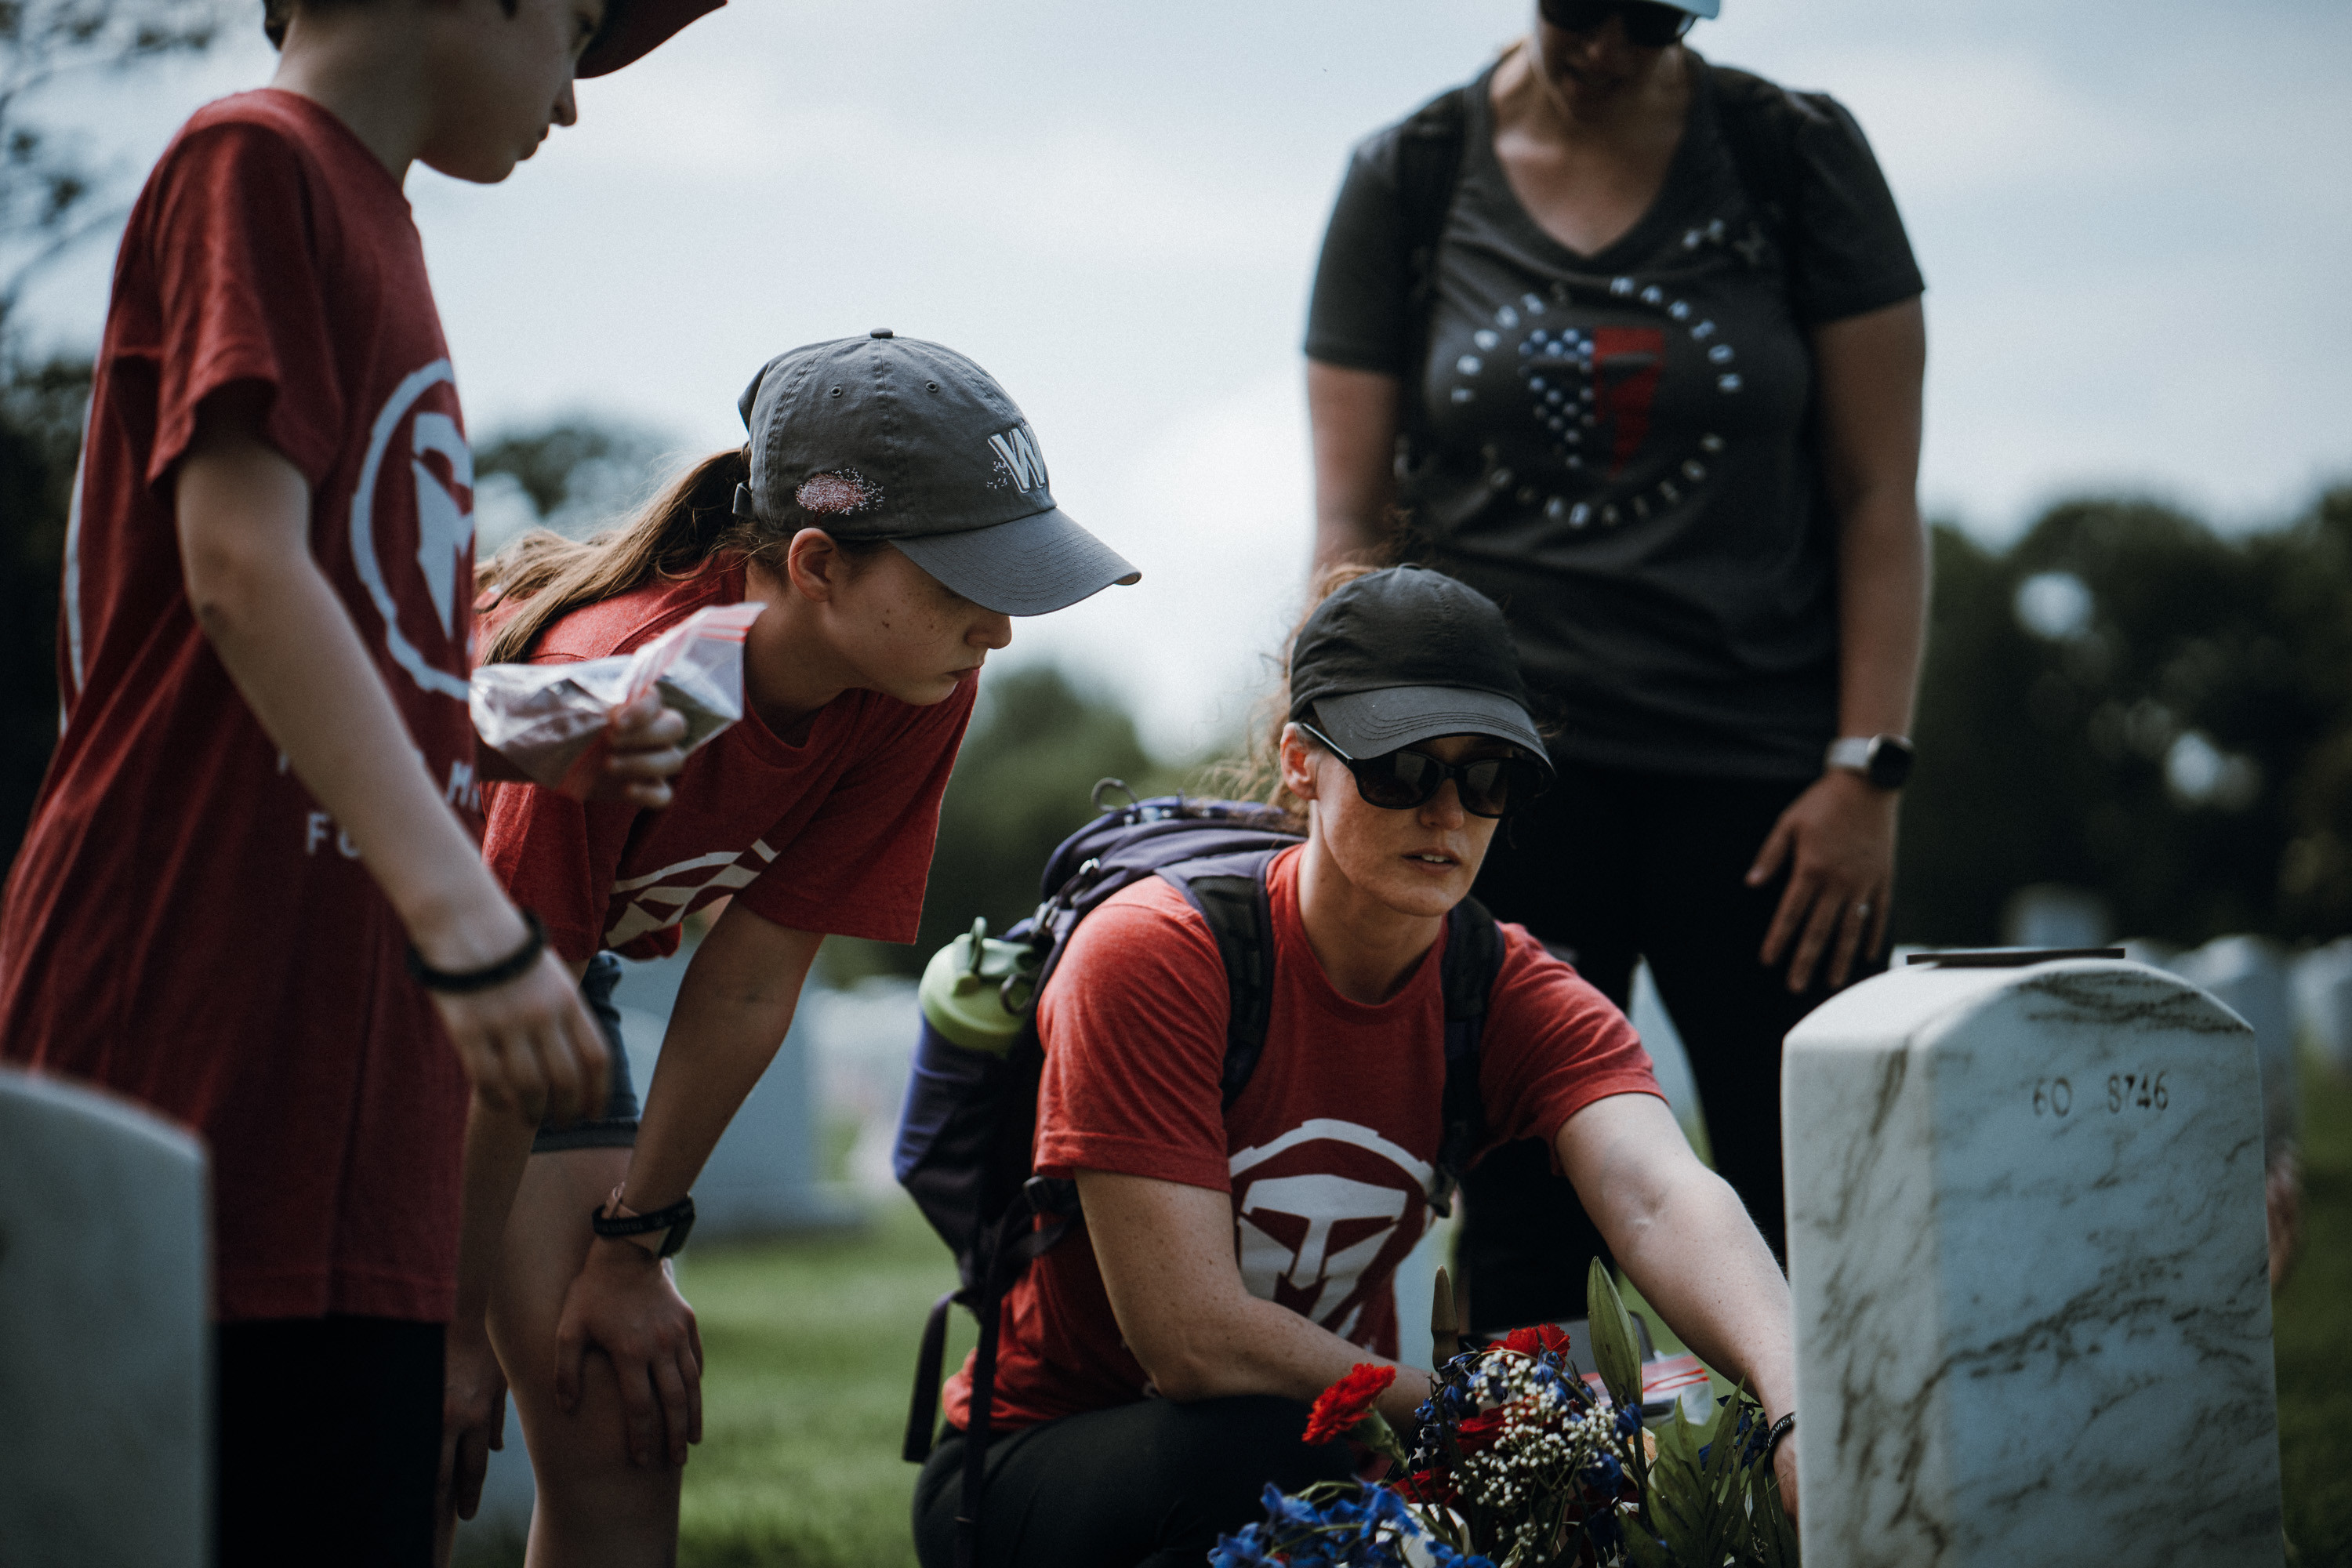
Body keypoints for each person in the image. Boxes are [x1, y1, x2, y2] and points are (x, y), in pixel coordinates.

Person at [0, 0, 717, 1561]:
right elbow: (240, 571)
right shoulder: (254, 163)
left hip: (354, 1061)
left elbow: (364, 622)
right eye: (581, 32)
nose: (575, 103)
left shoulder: (373, 224)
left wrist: (511, 733)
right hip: (191, 1018)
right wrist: (471, 918)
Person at [911, 565, 1799, 1568]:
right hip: (1039, 1467)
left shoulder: (1505, 984)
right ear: (1301, 761)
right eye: (1401, 767)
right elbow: (1191, 1340)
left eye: (1489, 774)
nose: (1447, 810)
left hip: (1330, 1452)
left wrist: (1796, 1405)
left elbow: (1659, 1194)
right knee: (1255, 1451)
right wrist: (1485, 1420)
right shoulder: (1155, 952)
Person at [459, 332, 1139, 1566]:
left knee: (618, 1418)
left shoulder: (912, 682)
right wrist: (449, 1334)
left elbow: (753, 973)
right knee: (401, 1434)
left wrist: (631, 1245)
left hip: (545, 996)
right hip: (379, 983)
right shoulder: (610, 679)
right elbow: (490, 1019)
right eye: (964, 583)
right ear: (817, 564)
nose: (999, 630)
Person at [1302, 0, 1928, 1330]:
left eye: (1649, 19)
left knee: (1828, 1198)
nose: (1603, 46)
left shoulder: (1791, 154)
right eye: (1577, 9)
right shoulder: (1409, 176)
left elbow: (1881, 494)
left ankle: (1837, 1519)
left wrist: (1868, 769)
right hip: (1491, 778)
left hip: (1770, 786)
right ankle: (1538, 1523)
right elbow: (1350, 522)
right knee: (1523, 1209)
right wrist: (1342, 751)